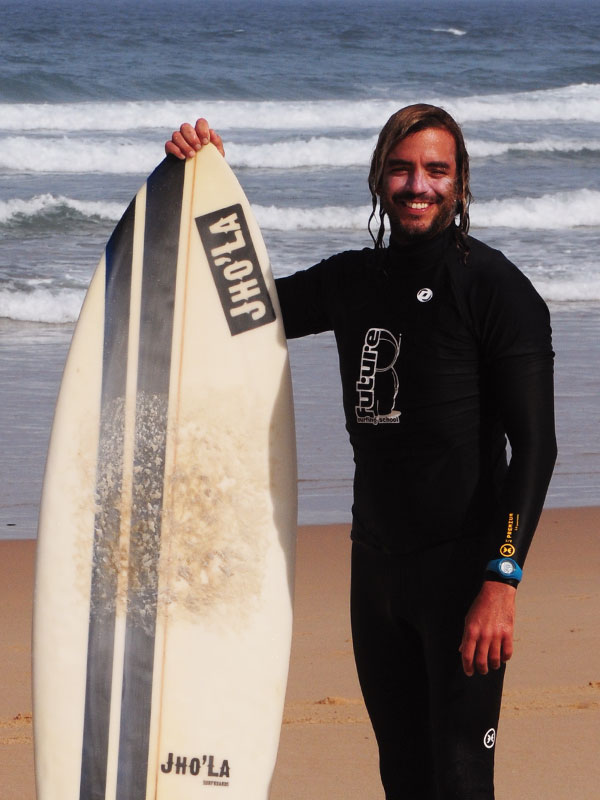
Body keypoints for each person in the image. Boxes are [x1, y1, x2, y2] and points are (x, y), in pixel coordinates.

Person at [166, 106, 557, 800]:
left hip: (462, 573)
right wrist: (198, 185)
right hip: (375, 571)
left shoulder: (497, 290)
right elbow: (236, 309)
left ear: (459, 183)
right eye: (401, 169)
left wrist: (502, 580)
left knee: (461, 778)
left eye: (435, 170)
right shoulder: (351, 281)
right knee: (402, 774)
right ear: (379, 179)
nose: (418, 185)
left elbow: (535, 447)